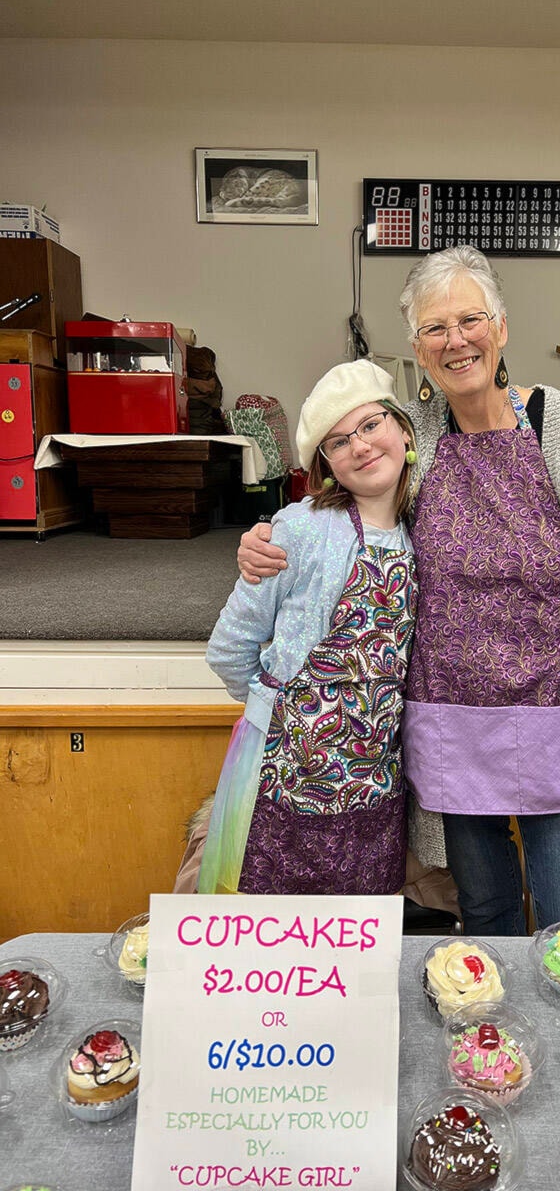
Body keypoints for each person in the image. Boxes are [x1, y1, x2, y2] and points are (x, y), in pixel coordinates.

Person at [237, 246, 560, 935]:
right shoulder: (412, 439)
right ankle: (494, 1043)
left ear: (500, 327)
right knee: (486, 916)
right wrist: (265, 537)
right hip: (453, 728)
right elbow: (337, 510)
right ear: (417, 348)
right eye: (435, 328)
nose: (456, 340)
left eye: (470, 319)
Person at [195, 359, 418, 896]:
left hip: (374, 786)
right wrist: (269, 708)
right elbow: (229, 647)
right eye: (338, 442)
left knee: (355, 945)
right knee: (271, 939)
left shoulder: (424, 532)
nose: (360, 446)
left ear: (403, 431)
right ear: (326, 465)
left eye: (370, 425)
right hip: (283, 775)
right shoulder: (300, 528)